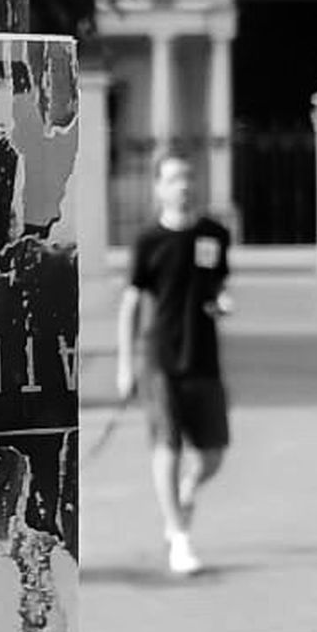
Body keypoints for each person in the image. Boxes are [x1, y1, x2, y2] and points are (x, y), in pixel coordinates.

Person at [115, 152, 231, 576]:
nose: (183, 185)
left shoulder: (214, 234)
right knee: (167, 445)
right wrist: (125, 365)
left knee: (213, 453)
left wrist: (220, 302)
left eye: (188, 177)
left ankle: (186, 493)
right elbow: (131, 304)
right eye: (173, 179)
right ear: (158, 188)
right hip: (159, 357)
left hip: (203, 355)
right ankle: (179, 537)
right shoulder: (149, 241)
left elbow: (215, 286)